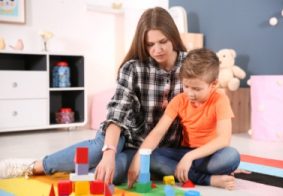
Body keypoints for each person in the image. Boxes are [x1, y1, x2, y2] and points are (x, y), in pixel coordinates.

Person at [0, 7, 187, 184]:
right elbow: (117, 115)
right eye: (150, 44)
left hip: (155, 148)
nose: (157, 50)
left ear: (173, 36)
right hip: (125, 134)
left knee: (108, 174)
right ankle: (34, 166)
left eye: (163, 42)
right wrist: (109, 152)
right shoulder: (133, 67)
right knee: (99, 150)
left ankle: (83, 172)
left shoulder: (190, 65)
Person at [127, 48, 241, 190]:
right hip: (184, 152)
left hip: (210, 155)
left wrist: (190, 157)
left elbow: (223, 139)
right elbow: (158, 132)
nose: (190, 93)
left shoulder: (220, 99)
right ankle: (208, 179)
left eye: (197, 89)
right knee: (152, 157)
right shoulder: (179, 101)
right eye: (186, 86)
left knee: (231, 156)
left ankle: (184, 172)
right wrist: (138, 159)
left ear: (213, 84)